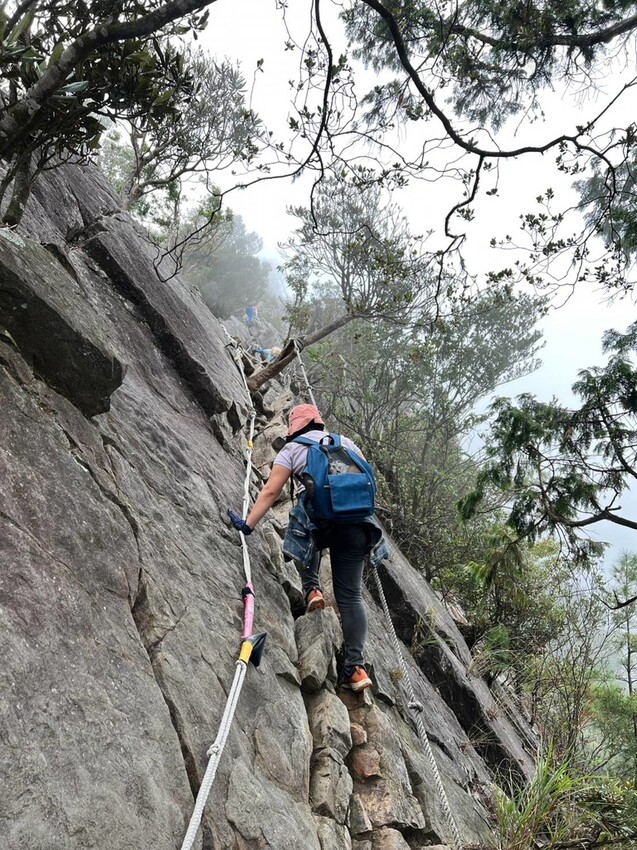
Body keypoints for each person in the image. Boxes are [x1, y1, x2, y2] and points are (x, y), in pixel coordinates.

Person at [228, 403, 388, 692]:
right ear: (318, 422)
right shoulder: (345, 442)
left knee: (302, 529)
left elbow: (271, 491)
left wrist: (248, 524)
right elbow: (368, 480)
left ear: (294, 427)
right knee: (351, 596)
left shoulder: (292, 449)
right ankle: (356, 669)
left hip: (321, 521)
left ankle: (312, 589)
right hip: (357, 524)